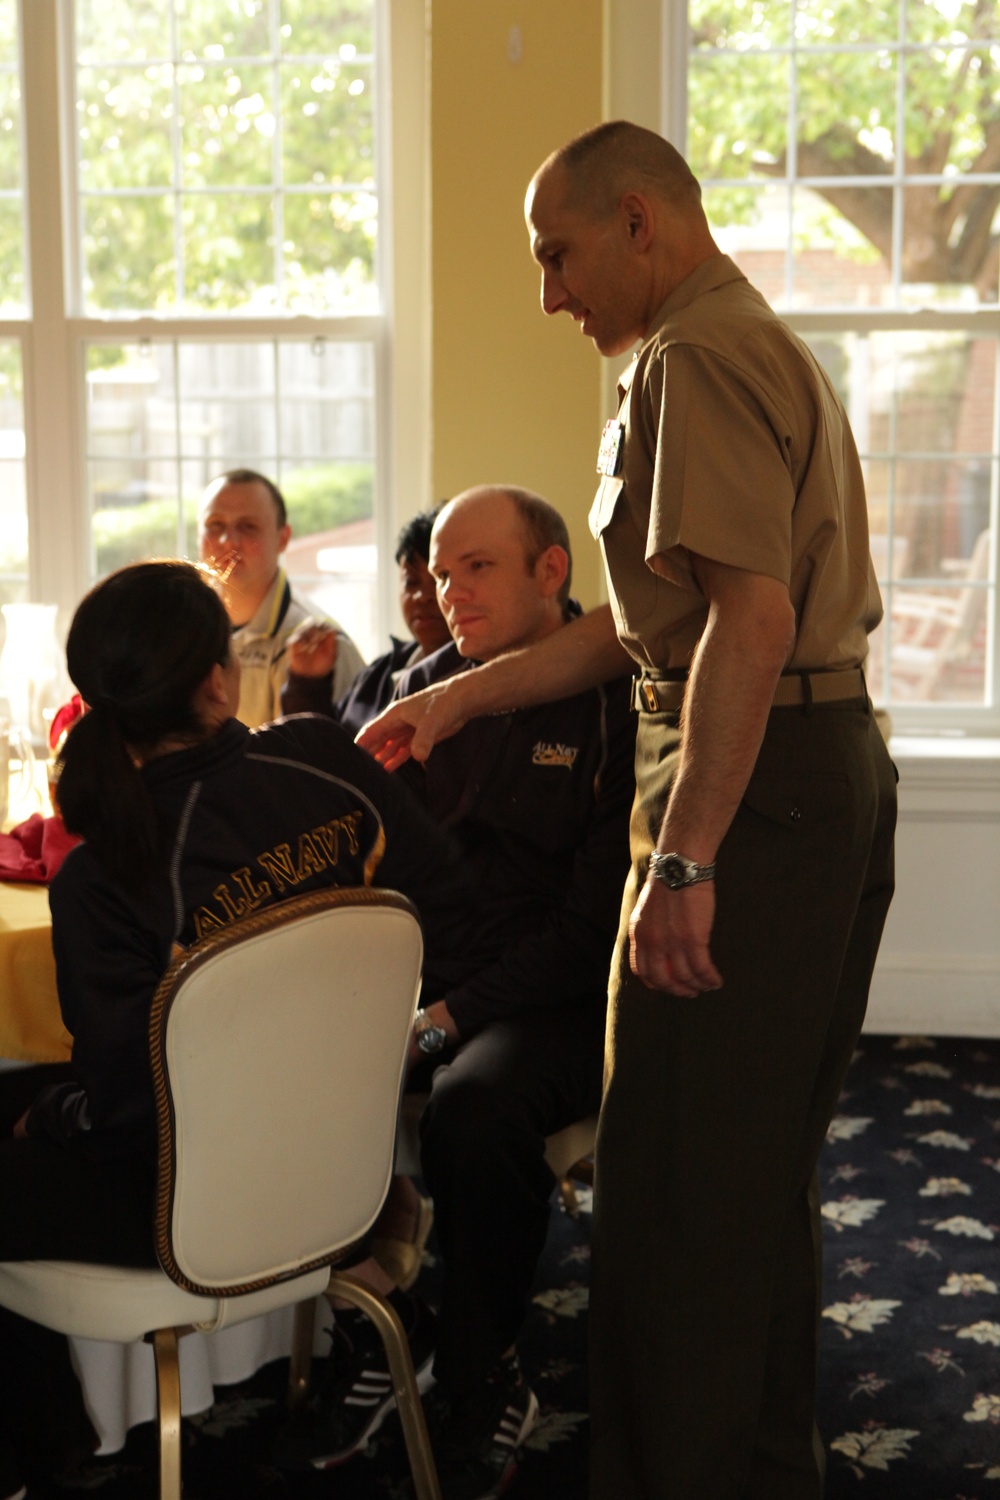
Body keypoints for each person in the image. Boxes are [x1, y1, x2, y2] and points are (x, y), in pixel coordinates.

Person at [359, 122, 898, 1500]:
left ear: (640, 221)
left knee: (675, 1186)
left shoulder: (694, 358)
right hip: (795, 765)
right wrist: (462, 700)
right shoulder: (726, 337)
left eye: (558, 254)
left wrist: (686, 861)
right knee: (747, 1169)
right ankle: (759, 1466)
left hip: (750, 787)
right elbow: (649, 624)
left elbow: (748, 619)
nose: (549, 293)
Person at [0, 560, 478, 1499]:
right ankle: (377, 1284)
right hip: (346, 1164)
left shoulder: (100, 881)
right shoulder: (326, 760)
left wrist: (48, 1119)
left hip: (197, 1211)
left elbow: (128, 1109)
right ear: (217, 681)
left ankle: (34, 1452)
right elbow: (451, 917)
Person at [299, 486, 635, 1500]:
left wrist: (439, 1025)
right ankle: (372, 1317)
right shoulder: (411, 685)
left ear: (551, 572)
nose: (449, 589)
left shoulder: (615, 696)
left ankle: (483, 1368)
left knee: (472, 1107)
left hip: (552, 997)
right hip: (418, 979)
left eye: (476, 567)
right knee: (269, 1061)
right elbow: (337, 845)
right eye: (441, 572)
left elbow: (585, 934)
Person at [198, 468, 365, 728]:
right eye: (215, 525)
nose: (227, 541)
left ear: (283, 538)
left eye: (248, 527)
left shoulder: (322, 645)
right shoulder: (186, 633)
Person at [281, 506, 452, 736]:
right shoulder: (377, 675)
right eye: (411, 581)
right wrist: (308, 683)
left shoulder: (481, 683)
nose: (422, 596)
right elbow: (328, 750)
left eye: (439, 579)